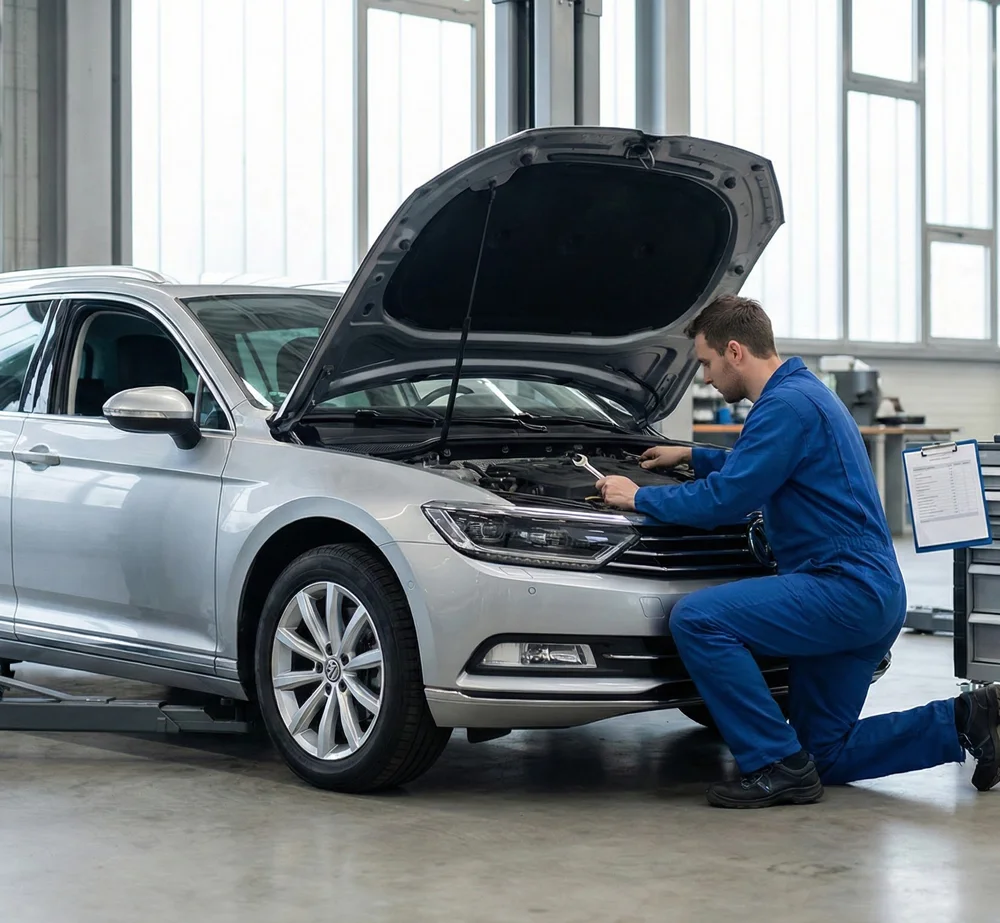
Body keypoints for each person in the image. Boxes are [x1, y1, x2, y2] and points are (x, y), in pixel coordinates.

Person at [595, 294, 1000, 808]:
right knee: (821, 755)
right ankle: (968, 718)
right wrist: (694, 456)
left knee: (698, 619)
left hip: (841, 587)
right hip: (872, 594)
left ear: (735, 352)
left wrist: (639, 497)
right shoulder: (803, 395)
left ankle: (772, 763)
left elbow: (730, 499)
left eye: (705, 363)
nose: (706, 378)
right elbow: (762, 464)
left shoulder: (784, 406)